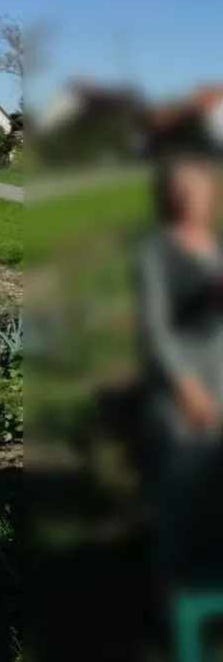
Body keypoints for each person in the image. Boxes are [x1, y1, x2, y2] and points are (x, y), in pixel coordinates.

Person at [134, 153, 223, 603]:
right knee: (182, 490)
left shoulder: (217, 248)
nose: (195, 196)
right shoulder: (157, 251)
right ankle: (169, 600)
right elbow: (158, 329)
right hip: (183, 389)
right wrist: (189, 387)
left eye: (203, 186)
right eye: (185, 188)